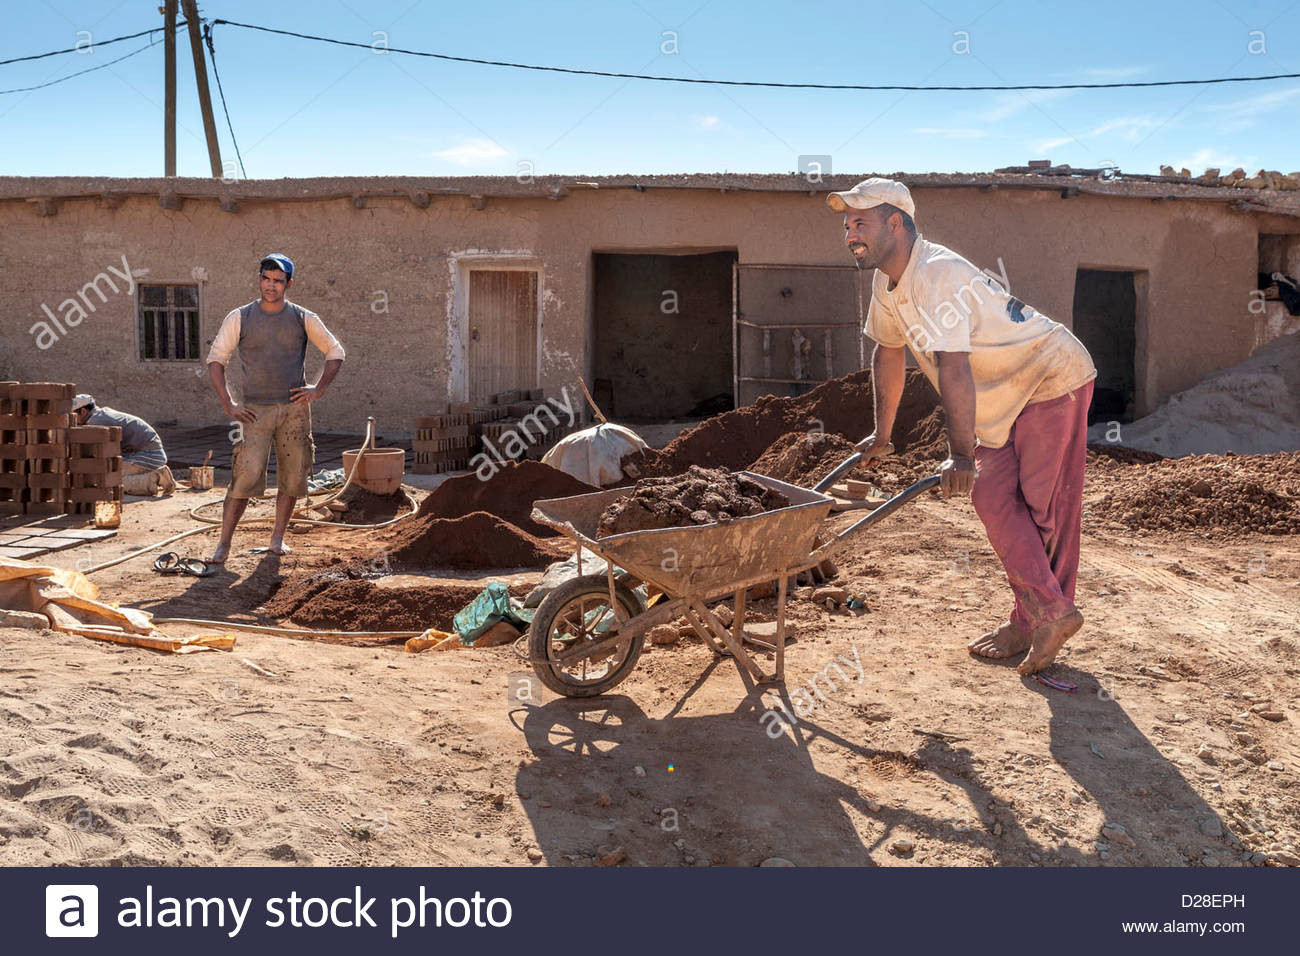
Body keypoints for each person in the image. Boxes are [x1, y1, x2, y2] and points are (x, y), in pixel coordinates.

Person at [828, 178, 1097, 675]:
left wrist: (960, 453)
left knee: (1045, 507)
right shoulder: (886, 282)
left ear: (895, 224)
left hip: (1049, 377)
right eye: (846, 225)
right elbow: (889, 352)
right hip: (1001, 398)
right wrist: (882, 434)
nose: (850, 235)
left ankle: (1042, 619)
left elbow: (953, 366)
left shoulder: (939, 272)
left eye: (859, 223)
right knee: (992, 497)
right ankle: (1040, 616)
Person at [205, 253, 345, 563]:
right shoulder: (240, 317)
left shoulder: (301, 317)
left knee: (293, 476)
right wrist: (228, 403)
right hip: (254, 411)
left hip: (294, 410)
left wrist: (317, 389)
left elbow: (336, 352)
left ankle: (277, 539)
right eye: (266, 279)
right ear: (259, 279)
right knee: (246, 474)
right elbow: (216, 360)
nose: (271, 286)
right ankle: (224, 543)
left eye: (278, 281)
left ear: (288, 284)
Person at [72, 394, 176, 495]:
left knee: (105, 481)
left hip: (149, 456)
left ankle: (156, 477)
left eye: (72, 415)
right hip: (143, 453)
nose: (71, 419)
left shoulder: (96, 422)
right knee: (104, 472)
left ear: (83, 411)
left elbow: (94, 452)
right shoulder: (101, 414)